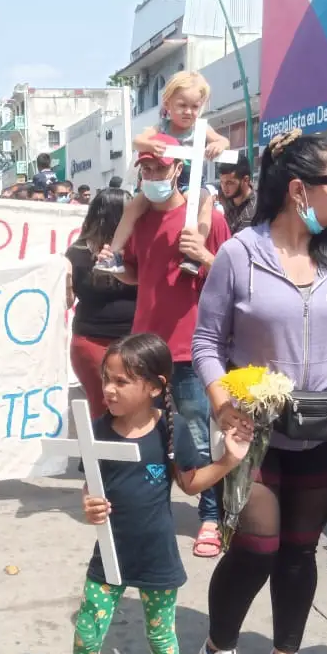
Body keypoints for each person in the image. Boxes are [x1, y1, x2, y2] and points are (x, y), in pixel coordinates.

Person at [191, 128, 327, 654]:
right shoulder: (239, 253)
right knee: (257, 546)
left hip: (323, 430)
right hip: (256, 435)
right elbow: (206, 342)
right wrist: (224, 406)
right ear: (301, 189)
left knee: (300, 550)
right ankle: (218, 649)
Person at [21, 333, 249, 654]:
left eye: (122, 381)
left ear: (156, 386)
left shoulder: (170, 428)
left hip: (156, 555)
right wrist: (89, 506)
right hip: (109, 553)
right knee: (88, 633)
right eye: (106, 379)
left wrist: (228, 462)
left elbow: (189, 483)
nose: (109, 389)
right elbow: (93, 485)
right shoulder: (98, 430)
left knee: (161, 638)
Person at [98, 136, 233, 558]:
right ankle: (151, 509)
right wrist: (113, 266)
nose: (154, 176)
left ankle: (210, 517)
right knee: (147, 432)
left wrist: (205, 257)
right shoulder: (136, 220)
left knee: (197, 433)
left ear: (178, 169)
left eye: (161, 168)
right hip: (145, 350)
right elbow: (139, 275)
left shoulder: (205, 216)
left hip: (193, 349)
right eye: (147, 170)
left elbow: (233, 280)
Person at [106, 72, 229, 267]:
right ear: (168, 104)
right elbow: (137, 141)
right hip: (164, 182)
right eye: (182, 105)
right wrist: (149, 145)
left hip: (192, 182)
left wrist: (219, 145)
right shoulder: (161, 127)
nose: (188, 111)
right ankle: (114, 253)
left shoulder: (201, 129)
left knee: (204, 204)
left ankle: (195, 251)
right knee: (132, 207)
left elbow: (223, 140)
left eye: (195, 107)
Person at [66, 189, 138, 418]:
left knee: (138, 410)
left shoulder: (138, 252)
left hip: (136, 344)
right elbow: (66, 300)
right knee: (106, 409)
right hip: (93, 344)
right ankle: (105, 455)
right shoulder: (77, 253)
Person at [217, 156, 257, 234]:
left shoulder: (250, 215)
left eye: (229, 183)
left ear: (246, 180)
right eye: (221, 182)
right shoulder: (229, 194)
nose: (224, 188)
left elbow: (234, 245)